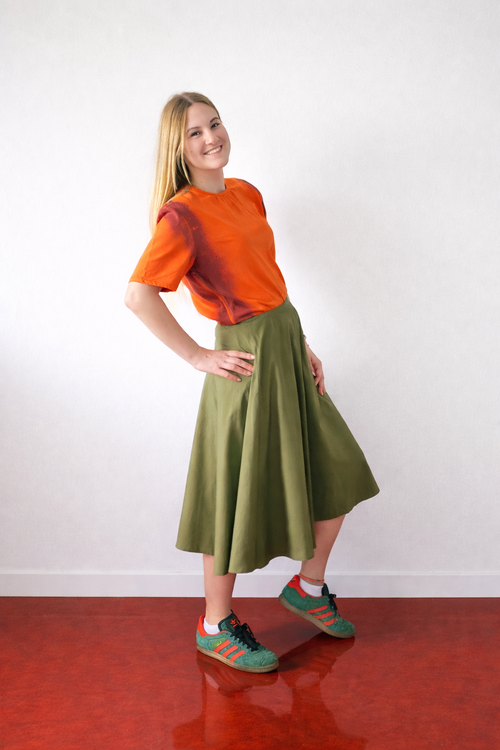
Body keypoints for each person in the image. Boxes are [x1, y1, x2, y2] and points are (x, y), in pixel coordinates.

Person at [124, 92, 379, 674]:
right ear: (178, 149)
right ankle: (215, 625)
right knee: (233, 492)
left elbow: (266, 278)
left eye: (214, 124)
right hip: (245, 362)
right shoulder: (182, 216)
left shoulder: (246, 193)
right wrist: (196, 356)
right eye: (194, 133)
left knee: (338, 466)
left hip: (284, 343)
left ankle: (308, 588)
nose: (210, 137)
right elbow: (138, 296)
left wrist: (300, 341)